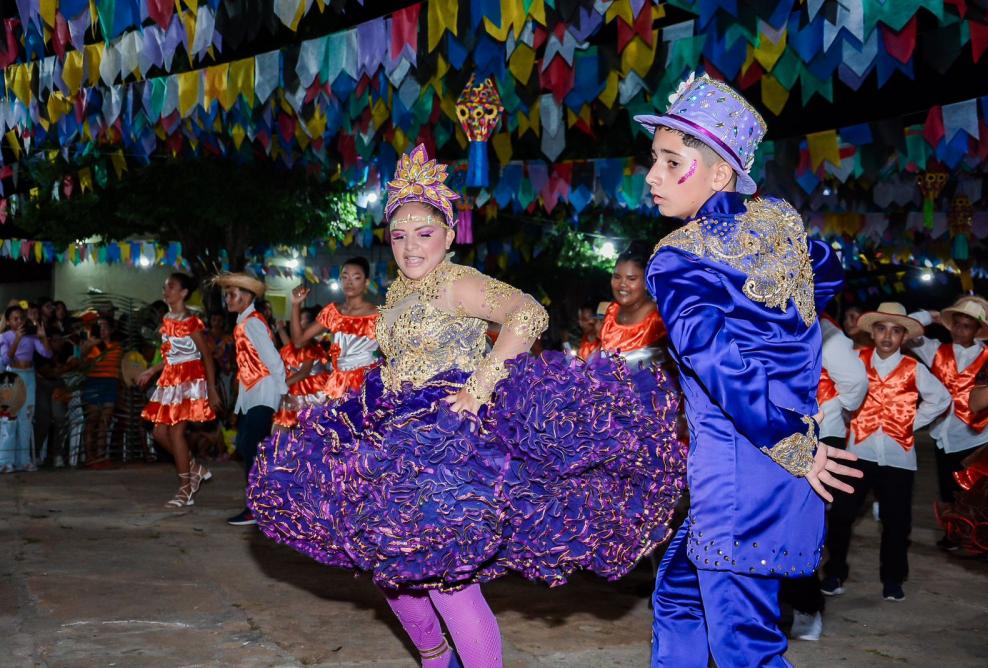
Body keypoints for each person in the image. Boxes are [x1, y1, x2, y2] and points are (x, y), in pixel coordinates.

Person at [247, 144, 687, 668]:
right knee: (393, 572)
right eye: (400, 235)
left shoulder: (457, 281)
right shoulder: (399, 291)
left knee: (445, 579)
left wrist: (480, 387)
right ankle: (438, 662)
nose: (410, 246)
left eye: (424, 233)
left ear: (450, 235)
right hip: (394, 430)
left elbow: (528, 313)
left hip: (448, 436)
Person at [634, 73, 859, 666]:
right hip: (772, 464)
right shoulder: (781, 225)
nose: (652, 176)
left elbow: (717, 363)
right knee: (680, 598)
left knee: (746, 647)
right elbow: (827, 275)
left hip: (742, 468)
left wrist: (793, 446)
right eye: (653, 160)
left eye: (669, 161)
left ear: (719, 174)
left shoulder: (676, 257)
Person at [822, 303, 951, 602]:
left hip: (898, 456)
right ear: (872, 332)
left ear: (904, 337)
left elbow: (941, 399)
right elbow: (837, 388)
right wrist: (844, 418)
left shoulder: (913, 368)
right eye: (881, 329)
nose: (888, 336)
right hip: (858, 450)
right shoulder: (855, 361)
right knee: (842, 515)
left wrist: (909, 422)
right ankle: (834, 572)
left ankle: (892, 579)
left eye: (895, 331)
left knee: (896, 522)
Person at [784, 311, 869, 641]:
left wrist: (831, 414)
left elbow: (855, 384)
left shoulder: (826, 330)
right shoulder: (764, 317)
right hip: (774, 435)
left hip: (816, 437)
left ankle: (807, 606)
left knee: (798, 526)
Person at [907, 298, 988, 550]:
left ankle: (979, 541)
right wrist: (929, 314)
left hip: (977, 436)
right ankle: (953, 534)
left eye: (967, 326)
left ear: (978, 330)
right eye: (956, 325)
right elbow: (905, 330)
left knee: (976, 493)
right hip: (943, 435)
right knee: (948, 490)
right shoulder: (936, 349)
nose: (960, 330)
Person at [138, 273, 222, 507]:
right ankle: (194, 468)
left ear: (183, 292)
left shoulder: (190, 322)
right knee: (158, 433)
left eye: (171, 287)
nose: (166, 291)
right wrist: (151, 371)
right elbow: (169, 356)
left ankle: (185, 489)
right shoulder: (167, 319)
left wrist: (211, 389)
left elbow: (206, 356)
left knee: (175, 433)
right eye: (165, 287)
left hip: (190, 380)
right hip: (170, 379)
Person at [215, 272, 286, 526]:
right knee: (248, 448)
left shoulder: (253, 323)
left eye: (232, 295)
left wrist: (282, 393)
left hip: (264, 393)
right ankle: (261, 504)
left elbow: (273, 359)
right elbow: (247, 368)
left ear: (246, 297)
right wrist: (239, 405)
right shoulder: (244, 321)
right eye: (226, 295)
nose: (227, 300)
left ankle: (257, 508)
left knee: (251, 448)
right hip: (253, 394)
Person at [289, 257, 379, 400]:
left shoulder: (378, 315)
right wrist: (295, 305)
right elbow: (299, 341)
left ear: (366, 282)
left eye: (356, 278)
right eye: (345, 277)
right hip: (337, 384)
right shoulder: (333, 312)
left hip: (366, 385)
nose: (349, 282)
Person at [0, 304, 52, 472]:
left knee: (26, 419)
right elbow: (7, 360)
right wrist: (16, 339)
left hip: (29, 376)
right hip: (12, 376)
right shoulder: (4, 336)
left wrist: (43, 337)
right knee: (9, 420)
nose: (19, 321)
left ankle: (24, 460)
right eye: (15, 319)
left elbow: (47, 354)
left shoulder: (31, 337)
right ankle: (5, 461)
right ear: (8, 321)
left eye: (21, 318)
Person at [598, 245, 667, 368]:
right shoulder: (610, 311)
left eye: (631, 279)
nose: (622, 284)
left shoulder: (659, 319)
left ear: (647, 282)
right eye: (617, 277)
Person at [272, 309, 328, 429]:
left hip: (310, 394)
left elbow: (304, 373)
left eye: (299, 321)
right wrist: (281, 329)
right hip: (297, 391)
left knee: (306, 428)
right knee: (284, 426)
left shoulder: (310, 347)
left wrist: (280, 385)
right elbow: (289, 348)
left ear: (310, 325)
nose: (294, 325)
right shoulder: (298, 346)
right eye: (294, 321)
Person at [79, 315, 123, 467]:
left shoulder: (118, 347)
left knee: (105, 421)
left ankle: (101, 456)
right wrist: (88, 347)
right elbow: (82, 363)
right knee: (92, 420)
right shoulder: (92, 345)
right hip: (94, 383)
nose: (102, 330)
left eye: (105, 327)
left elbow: (121, 367)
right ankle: (89, 457)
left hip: (111, 384)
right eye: (99, 327)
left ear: (111, 330)